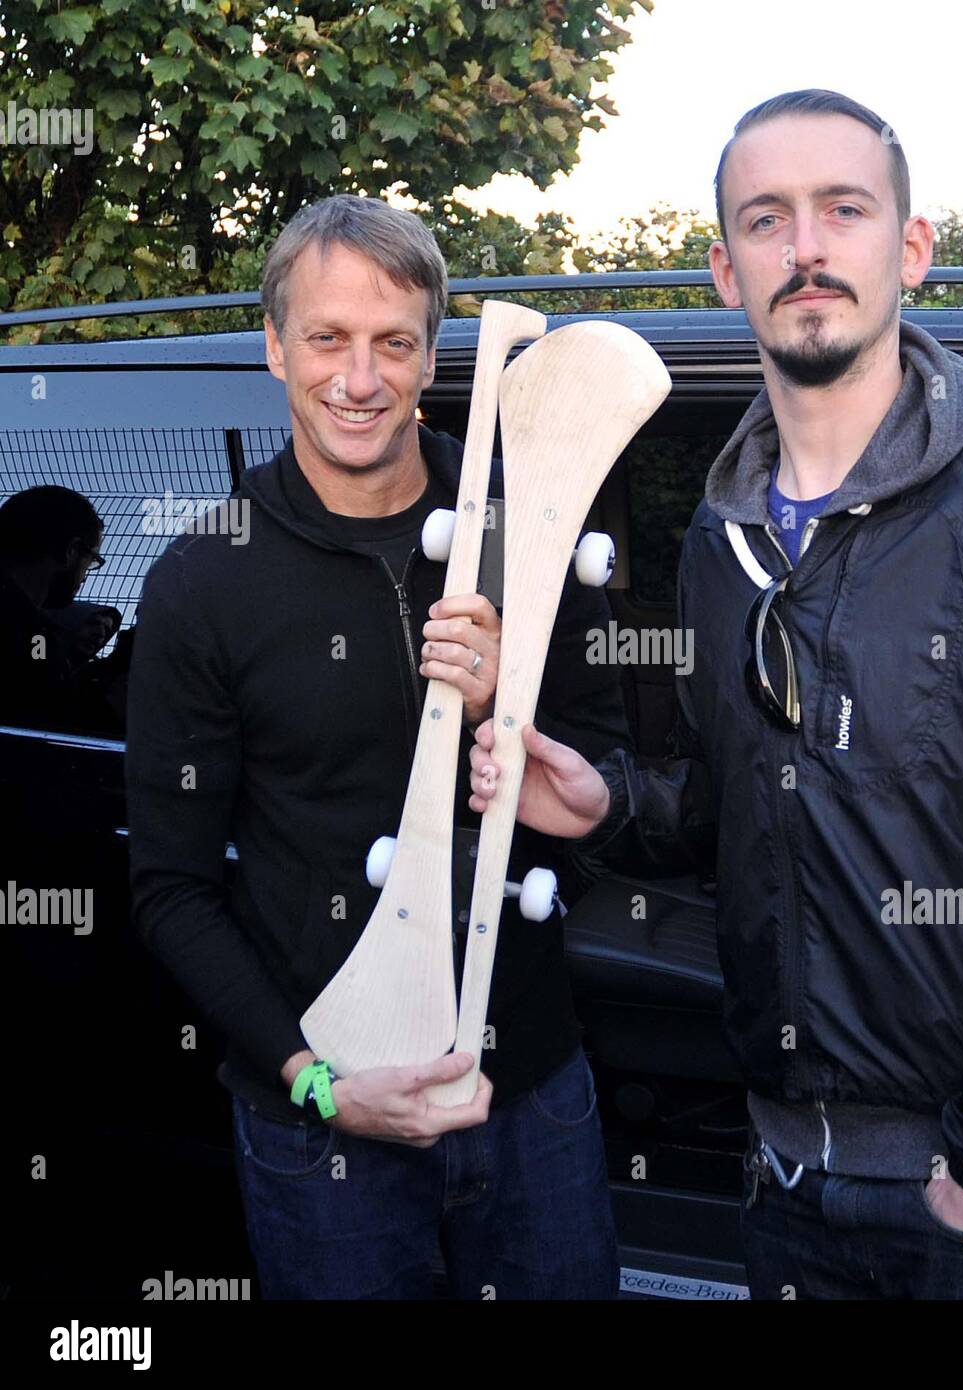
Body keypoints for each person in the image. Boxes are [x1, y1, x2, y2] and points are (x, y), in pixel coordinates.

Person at [468, 90, 963, 1300]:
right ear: (724, 272)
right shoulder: (718, 538)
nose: (805, 247)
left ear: (908, 249)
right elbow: (738, 801)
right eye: (766, 218)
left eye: (842, 209)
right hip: (789, 1190)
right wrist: (608, 799)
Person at [126, 195, 631, 1299]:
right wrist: (317, 1084)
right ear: (273, 346)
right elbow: (169, 889)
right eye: (326, 339)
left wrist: (531, 733)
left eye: (392, 342)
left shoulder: (525, 525)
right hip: (323, 1131)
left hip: (533, 1097)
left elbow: (614, 791)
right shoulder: (205, 578)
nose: (359, 380)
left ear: (433, 354)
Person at [0, 485, 126, 734]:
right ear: (70, 551)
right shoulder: (31, 637)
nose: (85, 577)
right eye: (92, 560)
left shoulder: (30, 632)